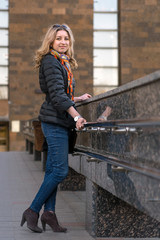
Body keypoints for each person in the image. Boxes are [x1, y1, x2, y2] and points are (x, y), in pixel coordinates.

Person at [20, 24, 92, 233]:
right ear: (51, 41)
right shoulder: (51, 61)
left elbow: (58, 93)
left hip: (58, 121)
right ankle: (32, 210)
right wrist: (77, 115)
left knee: (52, 170)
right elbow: (58, 96)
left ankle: (49, 214)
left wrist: (77, 98)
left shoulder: (63, 62)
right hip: (54, 123)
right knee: (60, 171)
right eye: (58, 38)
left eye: (66, 38)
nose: (63, 42)